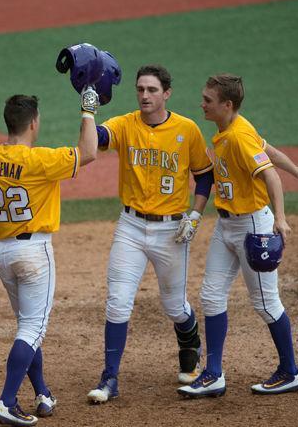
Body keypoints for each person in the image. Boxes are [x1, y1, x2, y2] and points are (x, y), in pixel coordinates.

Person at [0, 89, 99, 426]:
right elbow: (88, 152)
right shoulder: (39, 160)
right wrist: (88, 109)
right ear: (33, 124)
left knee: (27, 325)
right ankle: (5, 402)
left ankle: (42, 393)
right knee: (32, 328)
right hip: (34, 252)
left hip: (3, 252)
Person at [87, 64, 215, 403]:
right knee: (117, 304)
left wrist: (195, 215)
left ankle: (189, 343)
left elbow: (204, 176)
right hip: (130, 226)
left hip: (171, 230)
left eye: (152, 90)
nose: (145, 95)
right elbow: (96, 140)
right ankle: (109, 378)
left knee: (174, 306)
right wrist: (88, 111)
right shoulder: (125, 124)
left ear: (167, 93)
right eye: (141, 89)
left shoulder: (187, 130)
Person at [178, 73, 298, 398]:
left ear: (227, 104)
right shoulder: (232, 130)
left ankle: (290, 371)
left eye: (208, 100)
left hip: (253, 226)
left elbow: (270, 176)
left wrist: (280, 218)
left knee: (265, 302)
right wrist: (297, 168)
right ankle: (213, 374)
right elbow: (269, 150)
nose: (202, 104)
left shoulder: (237, 137)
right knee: (211, 296)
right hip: (226, 225)